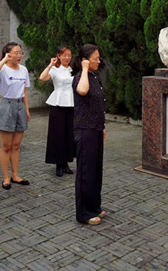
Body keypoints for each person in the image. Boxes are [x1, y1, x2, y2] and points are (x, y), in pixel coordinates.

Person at [71, 44, 106, 226]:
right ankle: (83, 213)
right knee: (85, 172)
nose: (98, 61)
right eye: (95, 58)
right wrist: (84, 69)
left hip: (96, 129)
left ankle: (94, 206)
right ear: (85, 60)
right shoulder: (80, 77)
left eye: (99, 58)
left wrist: (102, 126)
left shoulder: (94, 77)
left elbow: (98, 105)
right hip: (85, 130)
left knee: (95, 171)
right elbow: (82, 91)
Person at [0, 42, 31, 189]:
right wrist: (4, 60)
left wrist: (27, 109)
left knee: (16, 145)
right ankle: (5, 177)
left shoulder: (24, 69)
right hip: (7, 105)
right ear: (8, 54)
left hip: (20, 105)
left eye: (20, 52)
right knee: (6, 146)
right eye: (16, 52)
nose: (19, 55)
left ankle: (15, 175)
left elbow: (25, 90)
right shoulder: (3, 69)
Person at [39, 46, 75, 177]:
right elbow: (42, 78)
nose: (67, 58)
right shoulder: (54, 69)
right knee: (58, 134)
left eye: (69, 55)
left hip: (71, 103)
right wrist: (50, 65)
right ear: (58, 56)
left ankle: (66, 163)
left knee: (69, 134)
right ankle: (58, 164)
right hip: (58, 103)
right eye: (64, 55)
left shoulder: (73, 69)